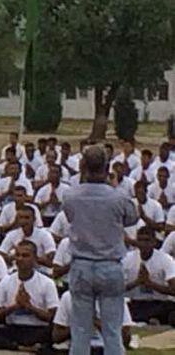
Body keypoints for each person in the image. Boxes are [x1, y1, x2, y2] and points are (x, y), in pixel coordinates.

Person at [63, 144, 138, 355]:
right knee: (112, 331)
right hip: (110, 265)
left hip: (82, 265)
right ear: (107, 168)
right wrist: (114, 186)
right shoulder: (118, 197)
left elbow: (70, 216)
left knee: (80, 331)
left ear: (83, 166)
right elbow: (132, 218)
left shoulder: (70, 195)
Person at [0, 240, 59, 351]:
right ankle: (19, 347)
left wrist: (29, 307)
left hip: (37, 329)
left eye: (25, 256)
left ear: (35, 259)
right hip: (13, 328)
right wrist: (14, 307)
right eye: (17, 255)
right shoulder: (6, 281)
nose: (20, 259)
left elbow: (54, 317)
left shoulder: (47, 283)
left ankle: (20, 345)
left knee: (55, 332)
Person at [122, 225, 175, 325]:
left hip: (159, 303)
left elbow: (173, 290)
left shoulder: (165, 259)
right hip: (135, 304)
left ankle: (153, 320)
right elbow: (116, 289)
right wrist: (136, 282)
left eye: (147, 240)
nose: (143, 244)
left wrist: (150, 284)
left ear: (154, 242)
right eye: (140, 240)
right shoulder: (126, 259)